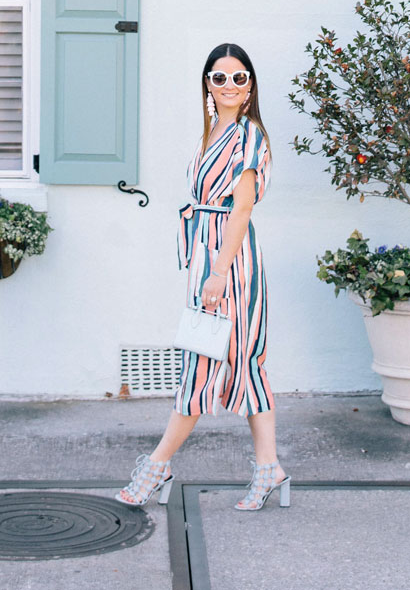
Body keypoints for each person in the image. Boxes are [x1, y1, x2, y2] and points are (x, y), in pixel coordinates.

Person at [116, 42, 289, 513]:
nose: (229, 85)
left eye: (239, 78)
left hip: (229, 263)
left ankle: (157, 465)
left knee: (204, 363)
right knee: (244, 363)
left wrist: (217, 272)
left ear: (250, 87)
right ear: (207, 85)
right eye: (219, 77)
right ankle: (269, 467)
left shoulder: (249, 138)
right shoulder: (211, 132)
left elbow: (242, 208)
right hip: (207, 258)